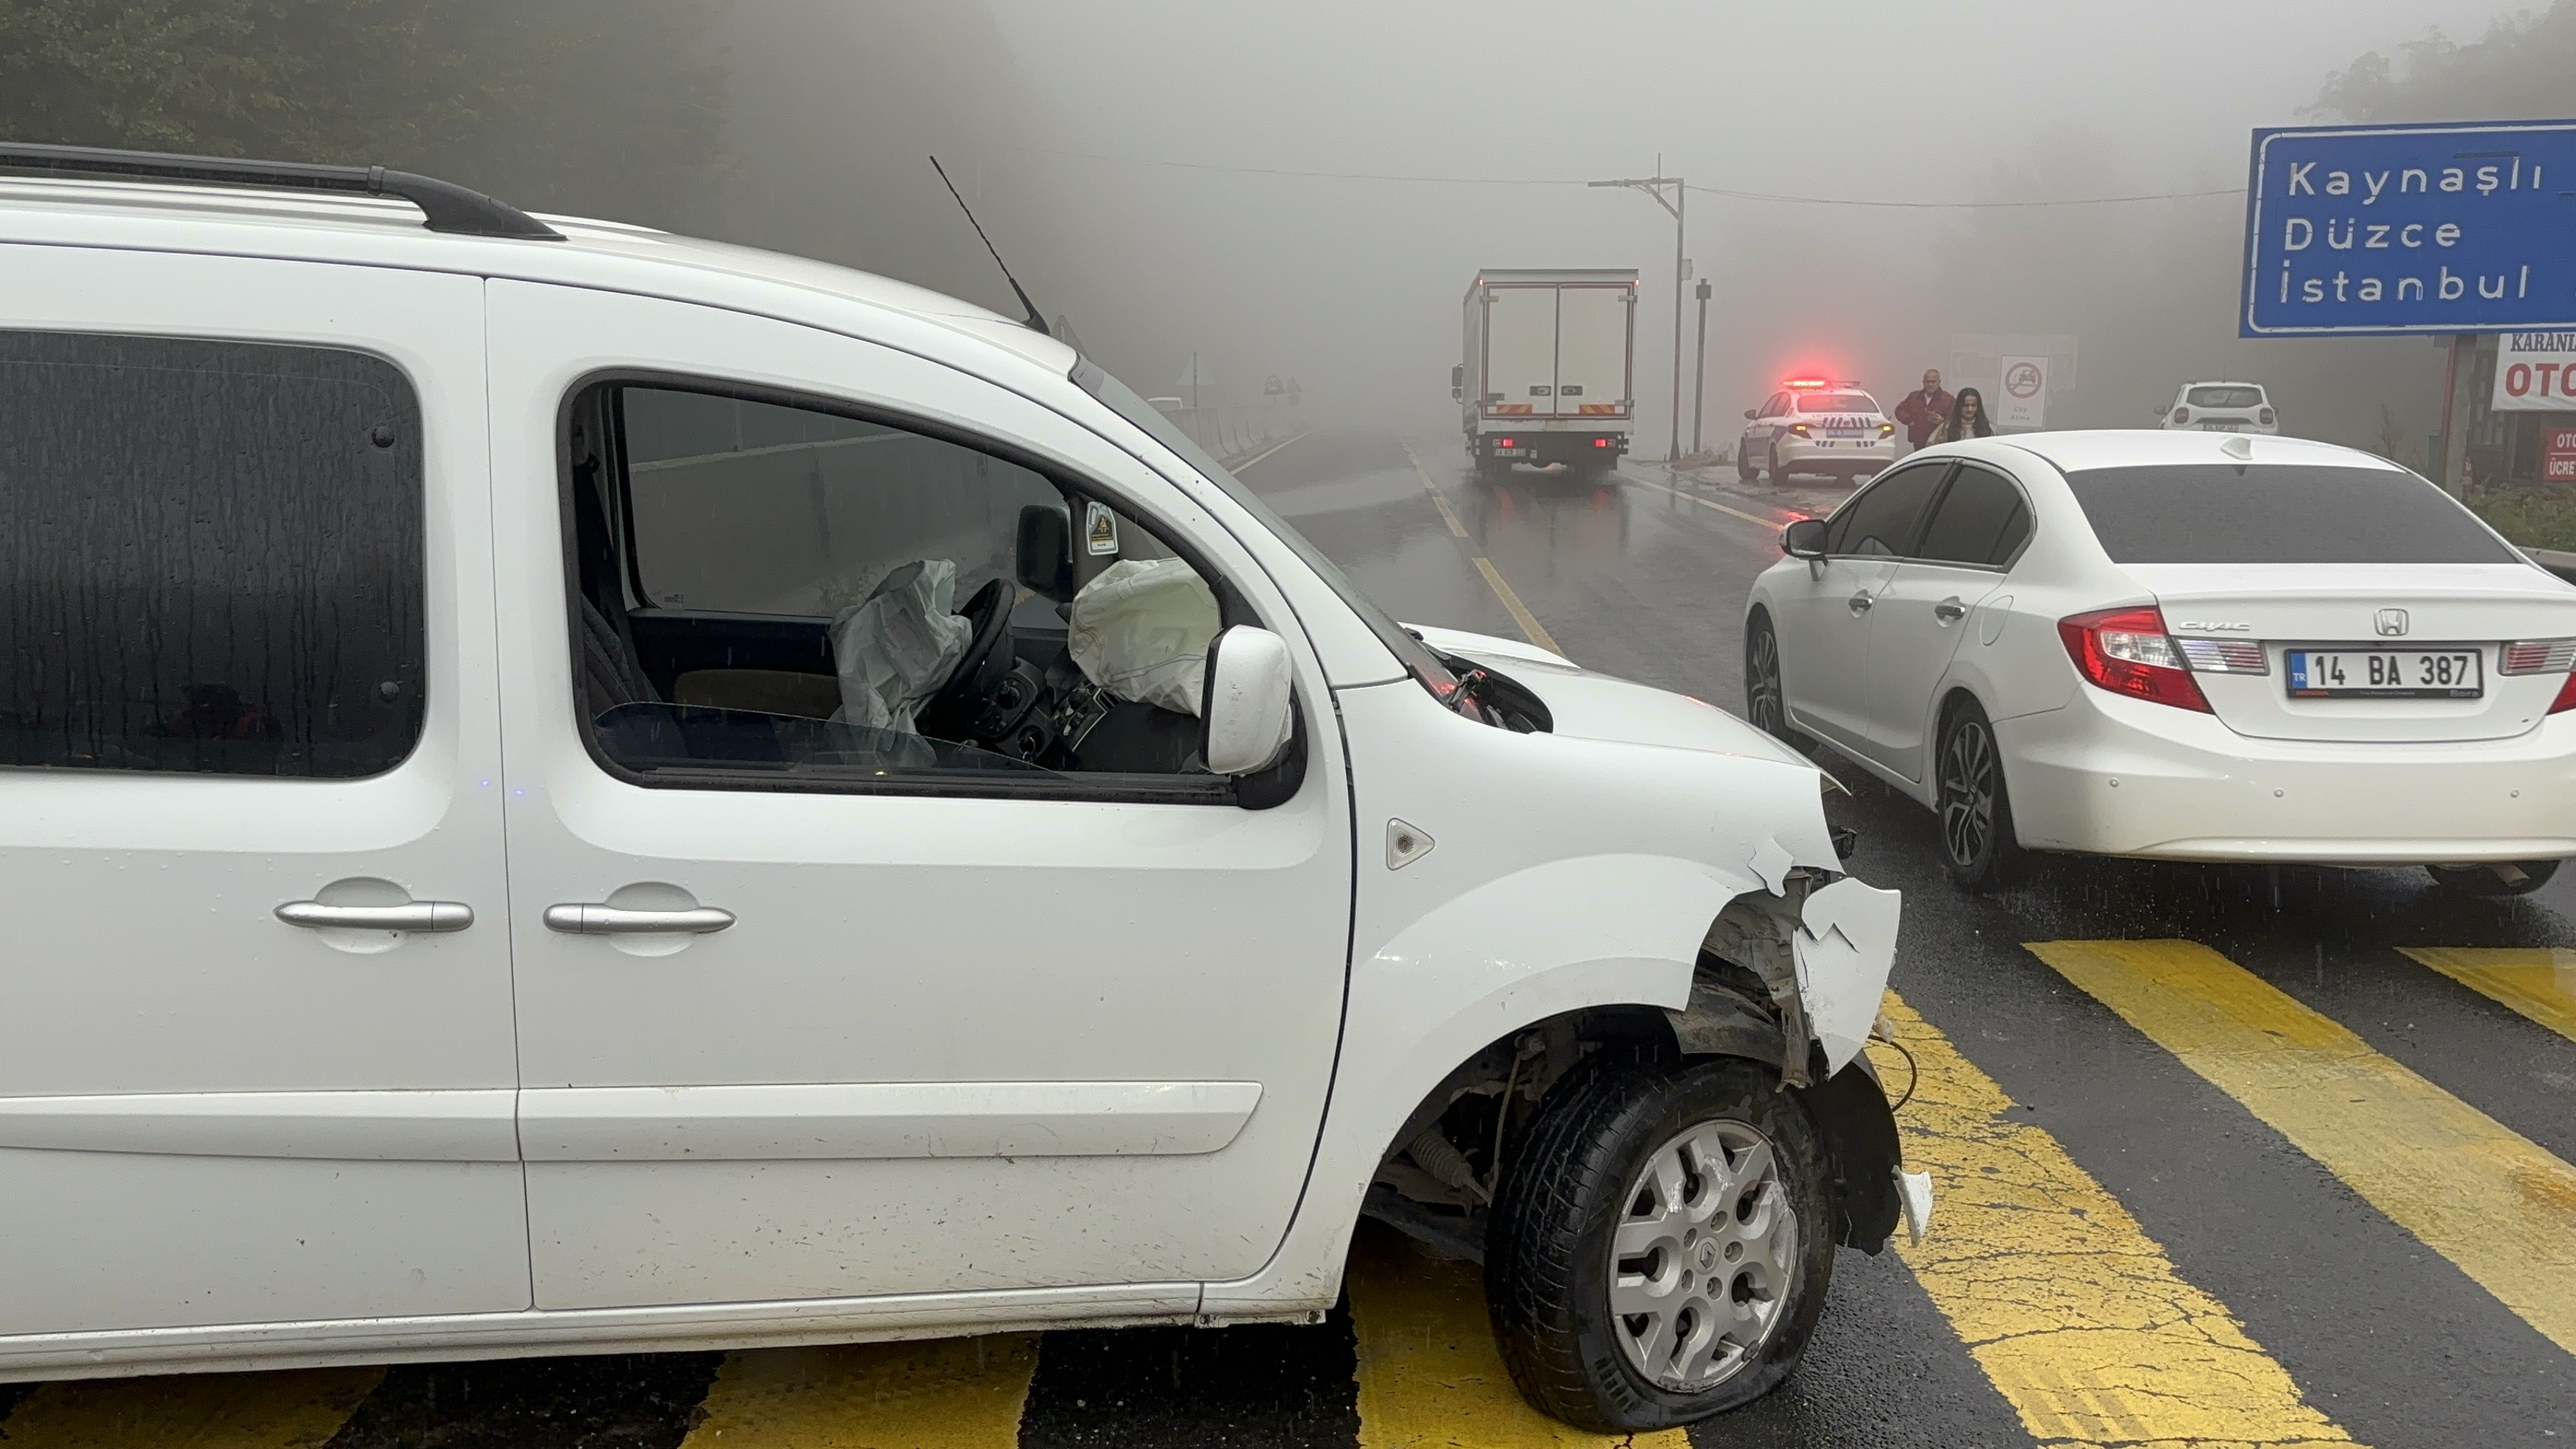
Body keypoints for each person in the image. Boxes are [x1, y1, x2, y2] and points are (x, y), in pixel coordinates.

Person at [1892, 368, 1953, 450]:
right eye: (1927, 382)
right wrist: (1910, 421)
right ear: (1923, 382)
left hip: (1939, 442)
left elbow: (1956, 416)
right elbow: (1899, 410)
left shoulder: (1948, 399)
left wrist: (1943, 420)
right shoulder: (1914, 397)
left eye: (1933, 381)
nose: (1930, 384)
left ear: (1939, 382)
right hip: (1919, 441)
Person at [1928, 386, 1993, 443]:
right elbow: (1932, 447)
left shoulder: (1989, 428)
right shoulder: (1946, 428)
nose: (1970, 409)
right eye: (1966, 405)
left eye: (1973, 405)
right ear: (1959, 406)